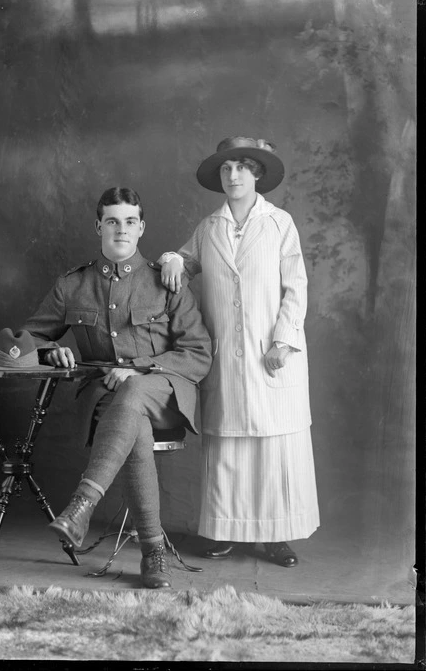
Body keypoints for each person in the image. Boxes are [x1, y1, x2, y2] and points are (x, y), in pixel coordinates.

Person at [19, 186, 212, 588]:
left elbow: (199, 353)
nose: (120, 230)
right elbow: (28, 339)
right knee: (132, 419)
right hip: (107, 399)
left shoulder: (166, 281)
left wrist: (140, 369)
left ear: (141, 228)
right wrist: (51, 350)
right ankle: (153, 551)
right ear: (99, 227)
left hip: (165, 392)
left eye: (129, 222)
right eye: (112, 221)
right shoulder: (73, 285)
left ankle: (82, 505)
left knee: (134, 392)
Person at [158, 136, 319, 567]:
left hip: (271, 356)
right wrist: (172, 256)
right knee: (229, 449)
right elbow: (185, 263)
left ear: (258, 174)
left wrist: (283, 340)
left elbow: (296, 286)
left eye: (242, 168)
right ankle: (224, 532)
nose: (233, 176)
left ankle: (276, 537)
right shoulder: (209, 228)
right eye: (227, 169)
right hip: (226, 357)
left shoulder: (280, 223)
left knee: (273, 449)